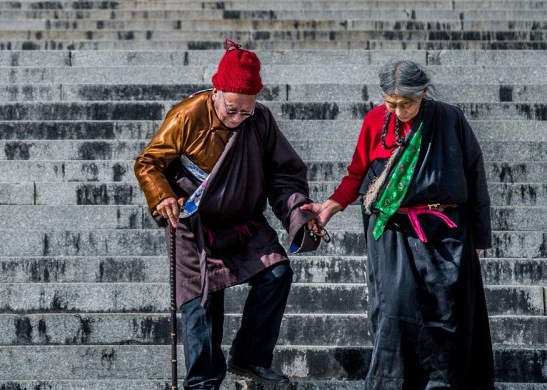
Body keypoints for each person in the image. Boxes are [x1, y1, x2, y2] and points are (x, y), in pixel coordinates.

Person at [134, 39, 323, 390]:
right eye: (231, 110)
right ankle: (203, 380)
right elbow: (149, 163)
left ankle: (250, 357)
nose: (237, 118)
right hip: (194, 223)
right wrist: (162, 197)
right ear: (217, 91)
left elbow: (284, 174)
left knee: (277, 273)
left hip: (244, 223)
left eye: (245, 112)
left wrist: (297, 210)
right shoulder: (188, 115)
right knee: (202, 300)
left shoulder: (261, 120)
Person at [302, 59, 494, 389]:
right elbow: (357, 174)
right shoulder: (375, 121)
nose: (399, 110)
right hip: (391, 231)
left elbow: (475, 175)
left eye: (407, 103)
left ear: (423, 94)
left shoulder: (449, 119)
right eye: (391, 103)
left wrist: (479, 234)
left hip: (445, 231)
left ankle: (443, 383)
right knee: (393, 307)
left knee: (449, 312)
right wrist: (330, 206)